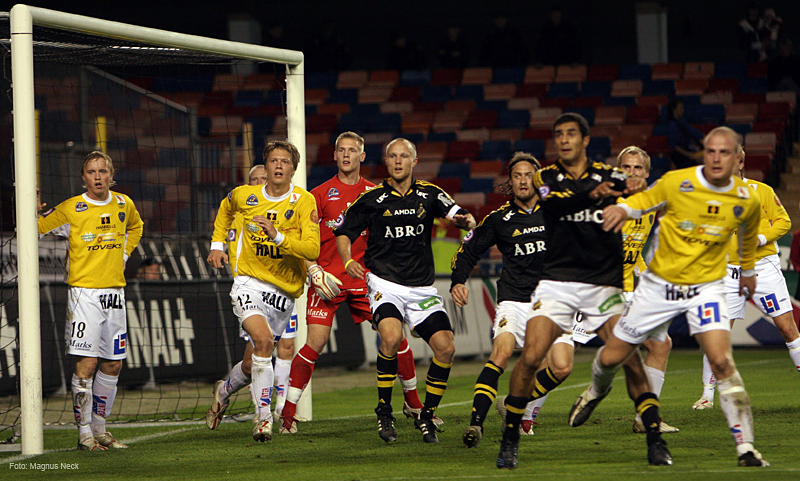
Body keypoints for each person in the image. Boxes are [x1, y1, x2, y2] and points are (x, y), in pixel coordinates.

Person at [577, 126, 768, 467]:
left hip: (705, 288)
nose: (716, 158)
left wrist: (750, 273)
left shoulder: (747, 197)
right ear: (703, 154)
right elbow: (638, 203)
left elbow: (749, 235)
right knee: (610, 358)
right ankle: (597, 389)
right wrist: (620, 209)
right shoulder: (677, 182)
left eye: (724, 153)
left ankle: (746, 448)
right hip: (658, 286)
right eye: (710, 151)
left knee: (722, 361)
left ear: (737, 158)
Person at [495, 113, 667, 469]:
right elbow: (555, 207)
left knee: (630, 358)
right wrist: (594, 194)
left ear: (586, 140)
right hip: (558, 282)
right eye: (559, 135)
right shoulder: (545, 177)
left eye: (572, 134)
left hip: (602, 284)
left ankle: (654, 439)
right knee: (531, 357)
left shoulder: (611, 176)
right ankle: (510, 437)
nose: (564, 140)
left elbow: (645, 195)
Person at [279, 132, 433, 433]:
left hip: (366, 279)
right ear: (334, 156)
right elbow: (299, 242)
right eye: (341, 150)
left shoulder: (375, 194)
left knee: (396, 339)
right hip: (327, 279)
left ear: (362, 157)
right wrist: (313, 270)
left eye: (353, 151)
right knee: (316, 342)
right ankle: (287, 415)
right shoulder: (318, 196)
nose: (347, 155)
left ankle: (413, 403)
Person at [334, 138, 476, 443]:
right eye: (393, 157)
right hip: (385, 284)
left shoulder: (430, 194)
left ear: (414, 161)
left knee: (446, 348)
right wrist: (347, 261)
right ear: (387, 162)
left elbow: (460, 215)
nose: (398, 161)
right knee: (391, 336)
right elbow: (344, 233)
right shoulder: (371, 199)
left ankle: (426, 415)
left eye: (404, 156)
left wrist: (466, 221)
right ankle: (384, 412)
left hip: (422, 289)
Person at [205, 141, 320, 442]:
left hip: (284, 292)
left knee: (251, 361)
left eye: (285, 161)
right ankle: (263, 418)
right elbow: (225, 208)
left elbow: (312, 248)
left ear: (294, 168)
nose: (279, 165)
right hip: (249, 283)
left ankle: (223, 390)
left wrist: (277, 235)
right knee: (265, 341)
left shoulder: (304, 201)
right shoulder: (246, 195)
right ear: (265, 166)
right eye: (273, 160)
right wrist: (217, 246)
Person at [451, 152, 562, 447]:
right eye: (517, 176)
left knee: (557, 367)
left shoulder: (555, 212)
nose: (523, 181)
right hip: (513, 300)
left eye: (528, 175)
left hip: (549, 303)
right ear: (510, 183)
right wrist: (458, 280)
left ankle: (513, 402)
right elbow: (469, 249)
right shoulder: (499, 219)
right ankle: (476, 425)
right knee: (500, 354)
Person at [38, 151, 143, 451]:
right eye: (91, 172)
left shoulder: (124, 204)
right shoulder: (72, 208)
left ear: (112, 174)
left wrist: (123, 253)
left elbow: (136, 227)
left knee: (113, 365)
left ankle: (100, 428)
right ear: (83, 177)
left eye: (103, 171)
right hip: (84, 295)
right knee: (87, 364)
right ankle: (84, 433)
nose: (98, 177)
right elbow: (36, 227)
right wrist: (31, 211)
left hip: (115, 294)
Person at [693, 148, 798, 410]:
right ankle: (707, 395)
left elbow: (783, 222)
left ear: (741, 163)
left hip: (762, 267)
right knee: (716, 333)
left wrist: (760, 239)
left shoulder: (761, 190)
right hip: (727, 272)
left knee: (787, 328)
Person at [226, 164, 297, 420]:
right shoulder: (241, 217)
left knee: (286, 347)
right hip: (253, 291)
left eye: (262, 179)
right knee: (257, 355)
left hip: (283, 291)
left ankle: (281, 409)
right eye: (253, 180)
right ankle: (255, 408)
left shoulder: (287, 209)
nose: (257, 184)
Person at [617, 147, 679, 434]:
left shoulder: (650, 206)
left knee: (660, 344)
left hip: (626, 290)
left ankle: (646, 418)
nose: (632, 173)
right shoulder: (605, 201)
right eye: (626, 168)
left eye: (637, 168)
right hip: (593, 290)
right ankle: (521, 410)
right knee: (559, 355)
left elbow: (637, 248)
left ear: (646, 173)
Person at [666, 99, 705, 170]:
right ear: (674, 110)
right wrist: (689, 155)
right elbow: (674, 146)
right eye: (680, 108)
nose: (683, 110)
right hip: (681, 158)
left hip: (689, 153)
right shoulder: (672, 125)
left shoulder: (682, 121)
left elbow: (694, 132)